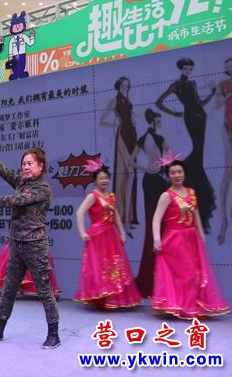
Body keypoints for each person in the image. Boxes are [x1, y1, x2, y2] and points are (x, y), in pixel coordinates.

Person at [0, 136, 60, 349]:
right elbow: (3, 169)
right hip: (16, 245)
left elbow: (19, 200)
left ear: (40, 166)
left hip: (35, 246)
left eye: (30, 163)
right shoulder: (21, 183)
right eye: (23, 164)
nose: (25, 167)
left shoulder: (43, 188)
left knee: (44, 290)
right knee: (9, 289)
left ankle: (54, 334)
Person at [151, 153, 230, 319]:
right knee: (180, 274)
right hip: (174, 239)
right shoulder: (167, 195)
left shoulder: (191, 192)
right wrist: (157, 239)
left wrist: (201, 234)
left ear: (184, 173)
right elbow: (156, 218)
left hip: (191, 238)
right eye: (173, 172)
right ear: (168, 175)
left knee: (193, 273)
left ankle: (191, 305)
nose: (177, 175)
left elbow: (196, 215)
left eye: (179, 172)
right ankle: (179, 306)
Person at [155, 58, 217, 232]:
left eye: (190, 68)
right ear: (181, 68)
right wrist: (175, 113)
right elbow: (159, 102)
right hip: (190, 117)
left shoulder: (193, 83)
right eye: (186, 68)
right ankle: (190, 184)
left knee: (199, 153)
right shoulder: (175, 85)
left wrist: (211, 94)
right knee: (196, 152)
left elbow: (198, 102)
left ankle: (192, 189)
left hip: (201, 116)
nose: (189, 71)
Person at [74, 160, 142, 309]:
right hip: (97, 235)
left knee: (114, 266)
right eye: (101, 178)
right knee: (100, 266)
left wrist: (122, 233)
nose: (104, 181)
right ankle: (102, 298)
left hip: (111, 235)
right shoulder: (93, 195)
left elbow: (116, 215)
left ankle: (113, 298)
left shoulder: (111, 196)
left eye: (106, 178)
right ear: (95, 180)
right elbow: (80, 212)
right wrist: (82, 232)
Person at [129, 109, 171, 298]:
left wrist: (148, 167)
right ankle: (154, 277)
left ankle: (158, 276)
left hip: (151, 179)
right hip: (157, 180)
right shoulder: (157, 138)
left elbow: (131, 161)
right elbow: (171, 157)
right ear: (153, 120)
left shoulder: (147, 138)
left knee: (158, 222)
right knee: (157, 223)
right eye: (158, 119)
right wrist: (160, 167)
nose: (160, 121)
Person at [99, 76, 138, 236]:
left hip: (132, 135)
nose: (125, 88)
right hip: (122, 135)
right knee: (128, 174)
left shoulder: (128, 99)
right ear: (118, 87)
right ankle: (124, 218)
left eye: (127, 86)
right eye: (123, 86)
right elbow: (102, 121)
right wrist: (115, 124)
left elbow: (131, 117)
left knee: (128, 175)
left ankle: (126, 217)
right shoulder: (114, 101)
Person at [216, 57, 232, 244]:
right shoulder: (223, 85)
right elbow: (216, 105)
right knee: (228, 172)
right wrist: (228, 96)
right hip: (228, 129)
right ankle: (224, 220)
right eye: (228, 67)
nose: (231, 69)